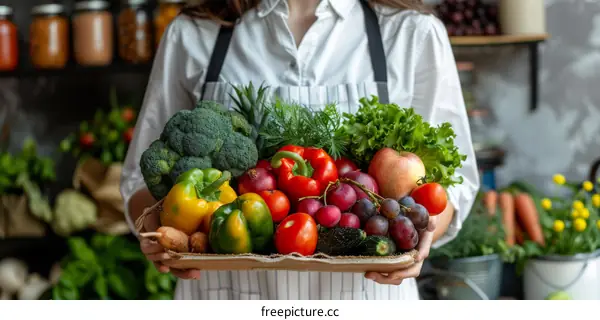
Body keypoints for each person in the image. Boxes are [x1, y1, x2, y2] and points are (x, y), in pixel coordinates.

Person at [121, 0, 480, 300]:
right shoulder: (193, 33)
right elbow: (140, 179)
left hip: (367, 299)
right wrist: (159, 233)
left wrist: (422, 237)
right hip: (223, 294)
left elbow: (455, 184)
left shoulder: (411, 34)